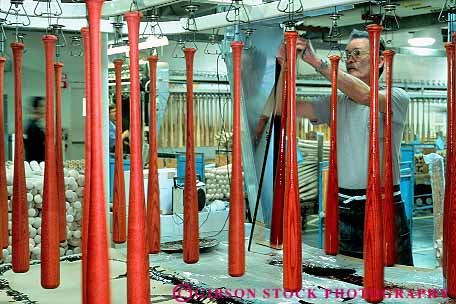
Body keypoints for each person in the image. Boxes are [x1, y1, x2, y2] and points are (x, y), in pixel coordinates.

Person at [263, 29, 413, 265]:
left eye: (357, 53)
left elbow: (366, 96)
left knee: (393, 286)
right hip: (344, 209)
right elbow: (279, 108)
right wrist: (285, 64)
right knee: (347, 283)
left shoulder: (396, 96)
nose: (350, 59)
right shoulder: (336, 102)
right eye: (347, 54)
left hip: (383, 209)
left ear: (381, 60)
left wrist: (316, 62)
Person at [24, 96, 46, 163]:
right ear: (36, 108)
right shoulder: (32, 126)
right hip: (36, 166)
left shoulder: (38, 124)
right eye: (42, 106)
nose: (44, 109)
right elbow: (33, 150)